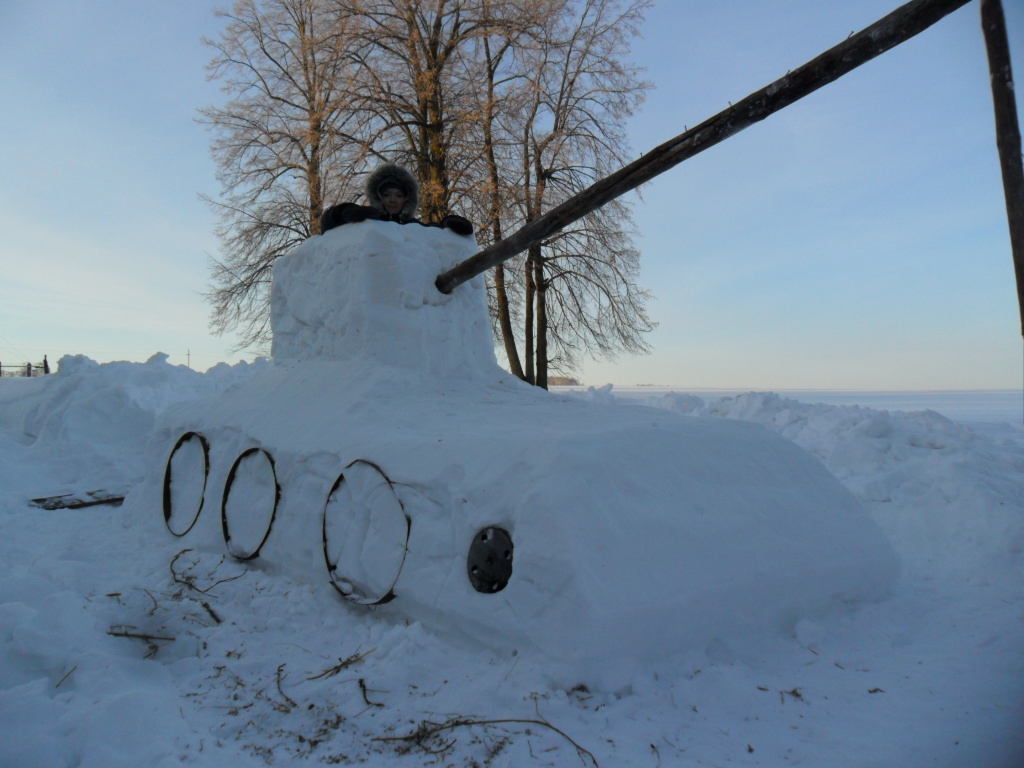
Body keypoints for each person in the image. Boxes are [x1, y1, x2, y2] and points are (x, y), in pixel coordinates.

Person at [320, 163, 473, 236]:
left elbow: (435, 235)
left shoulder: (414, 227)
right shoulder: (367, 220)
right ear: (378, 197)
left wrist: (448, 223)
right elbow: (327, 225)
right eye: (387, 195)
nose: (392, 200)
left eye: (398, 195)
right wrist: (343, 212)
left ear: (407, 199)